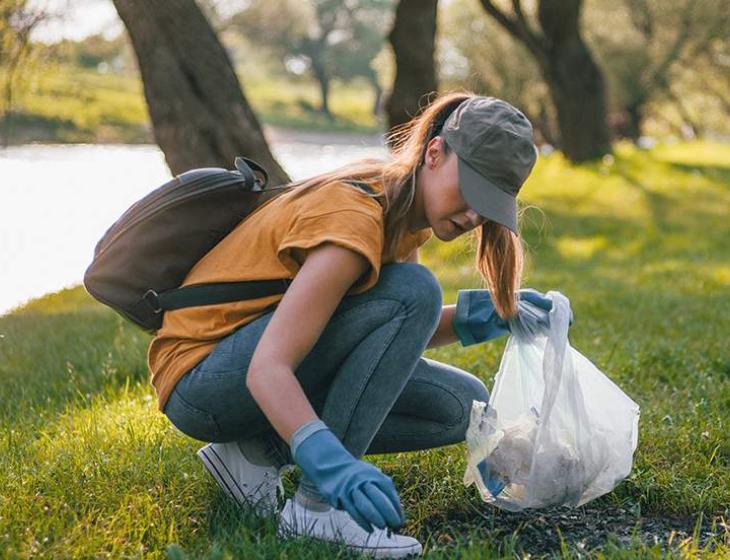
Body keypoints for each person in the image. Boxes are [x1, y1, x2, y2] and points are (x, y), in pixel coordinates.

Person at [147, 92, 573, 558]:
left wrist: (484, 317)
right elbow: (268, 367)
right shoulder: (355, 219)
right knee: (416, 290)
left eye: (489, 205)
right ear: (435, 153)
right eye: (472, 189)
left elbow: (383, 333)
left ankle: (254, 454)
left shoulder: (402, 211)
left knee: (459, 406)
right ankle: (317, 510)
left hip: (238, 367)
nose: (474, 216)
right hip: (203, 382)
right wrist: (330, 467)